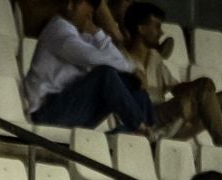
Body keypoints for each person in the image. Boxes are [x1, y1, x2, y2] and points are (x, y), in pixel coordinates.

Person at [22, 0, 150, 131]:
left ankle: (145, 131)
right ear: (71, 5)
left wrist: (97, 33)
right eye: (87, 10)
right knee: (105, 74)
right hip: (46, 112)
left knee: (132, 82)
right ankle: (139, 127)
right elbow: (91, 57)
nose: (90, 15)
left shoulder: (81, 35)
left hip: (71, 110)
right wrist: (132, 68)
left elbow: (117, 58)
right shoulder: (57, 29)